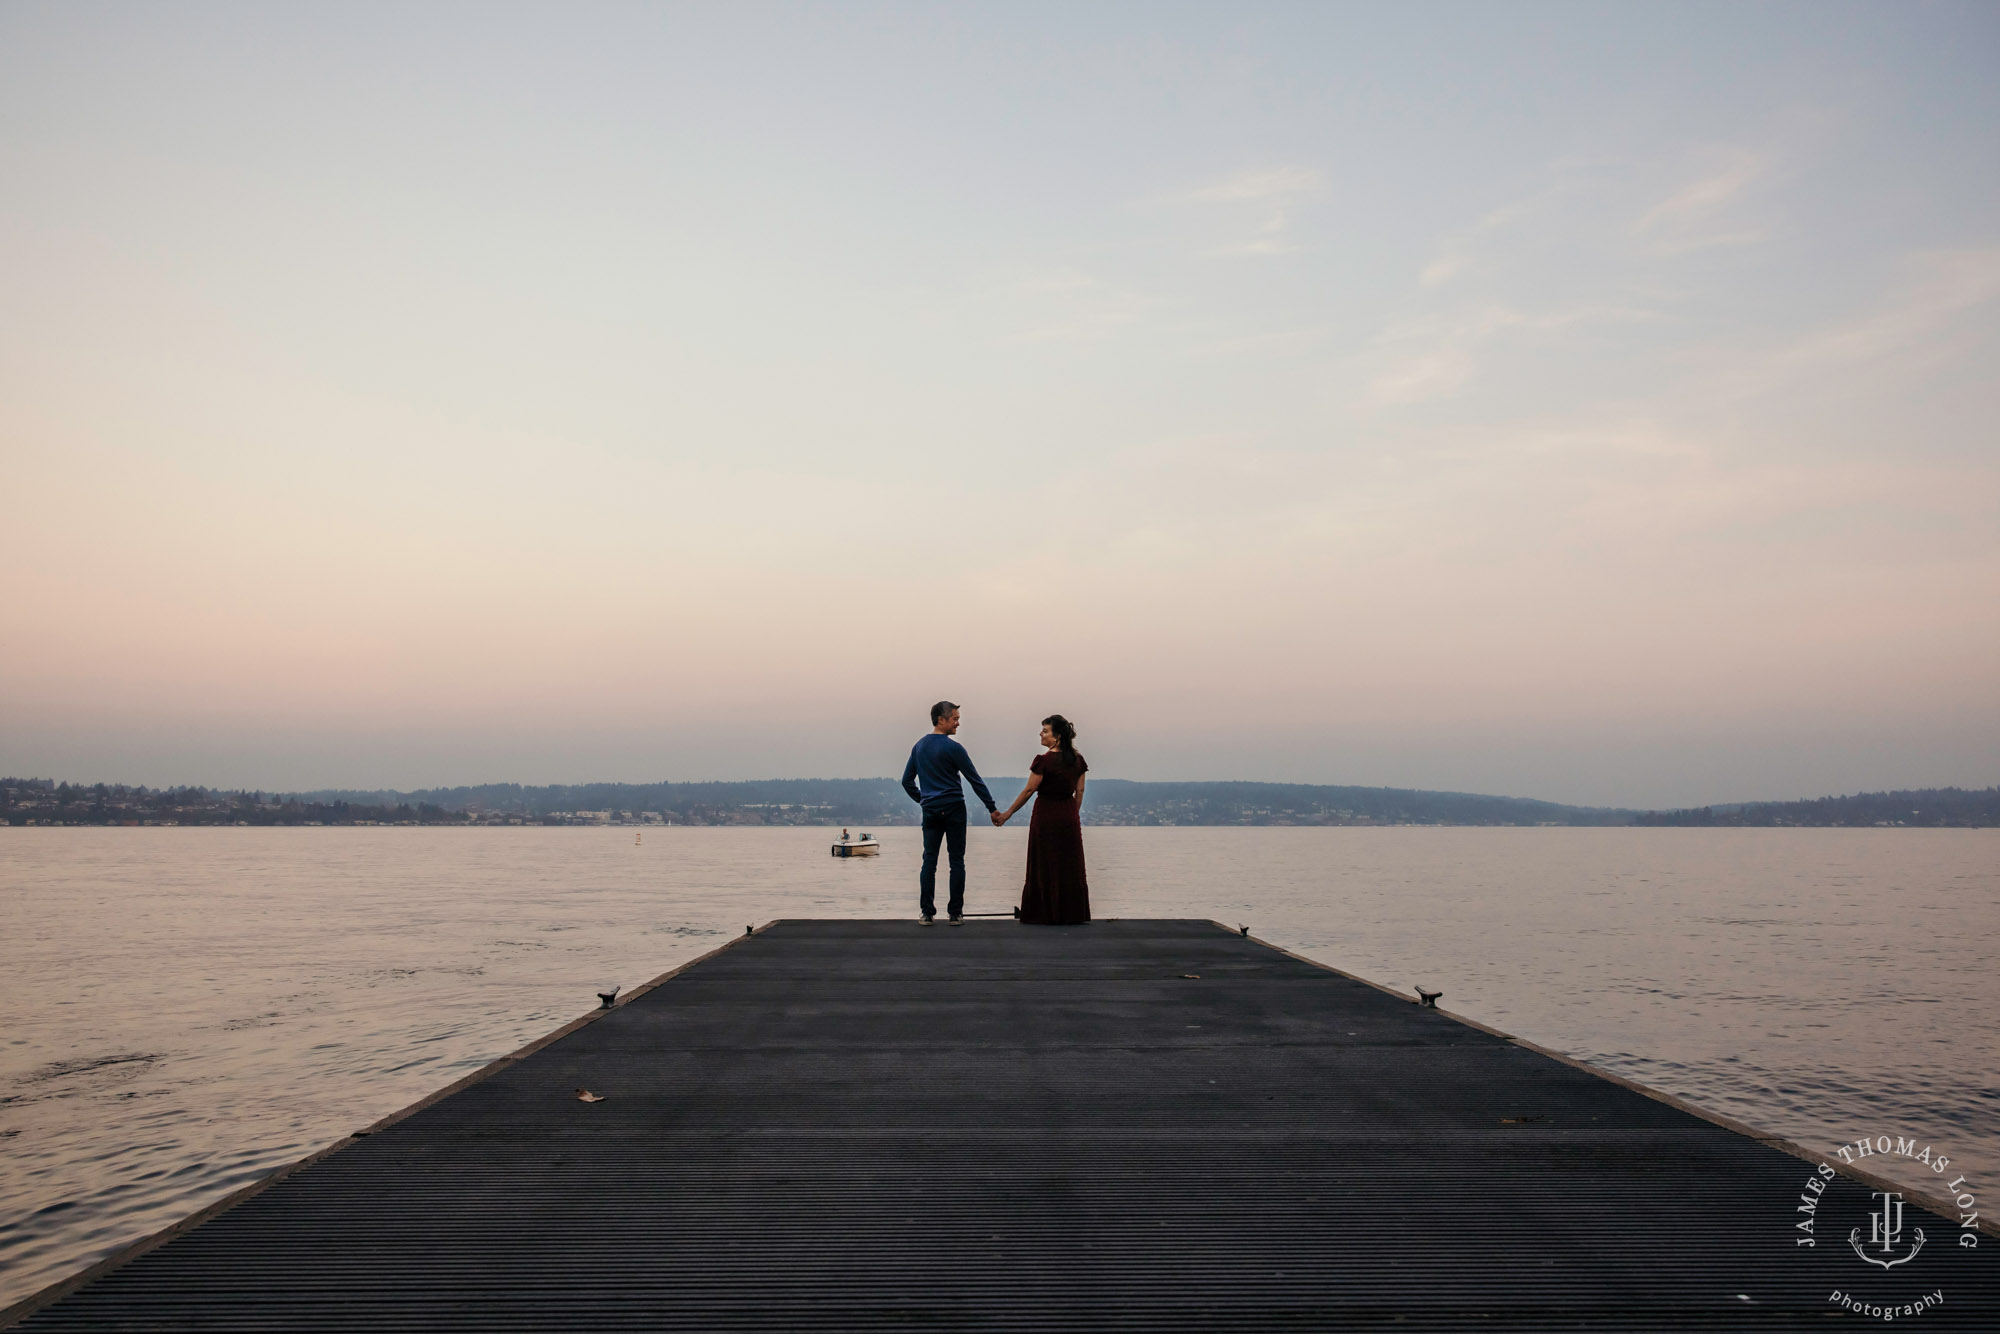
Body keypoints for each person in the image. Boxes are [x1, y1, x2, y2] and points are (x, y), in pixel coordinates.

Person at [900, 701, 999, 925]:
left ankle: (927, 913)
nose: (958, 722)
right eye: (955, 718)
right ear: (941, 719)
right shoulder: (954, 748)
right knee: (956, 861)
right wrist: (991, 808)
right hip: (954, 808)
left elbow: (906, 781)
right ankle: (955, 914)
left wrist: (923, 799)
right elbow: (975, 780)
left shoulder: (919, 747)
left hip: (931, 810)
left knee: (929, 861)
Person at [994, 714, 1090, 925]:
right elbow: (1080, 791)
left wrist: (1008, 813)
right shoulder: (1078, 760)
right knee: (1068, 863)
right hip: (1068, 815)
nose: (1041, 733)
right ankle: (1072, 913)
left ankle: (1043, 913)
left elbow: (1029, 790)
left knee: (1043, 862)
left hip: (1045, 814)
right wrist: (1072, 813)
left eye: (1045, 731)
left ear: (1057, 737)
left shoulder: (1043, 761)